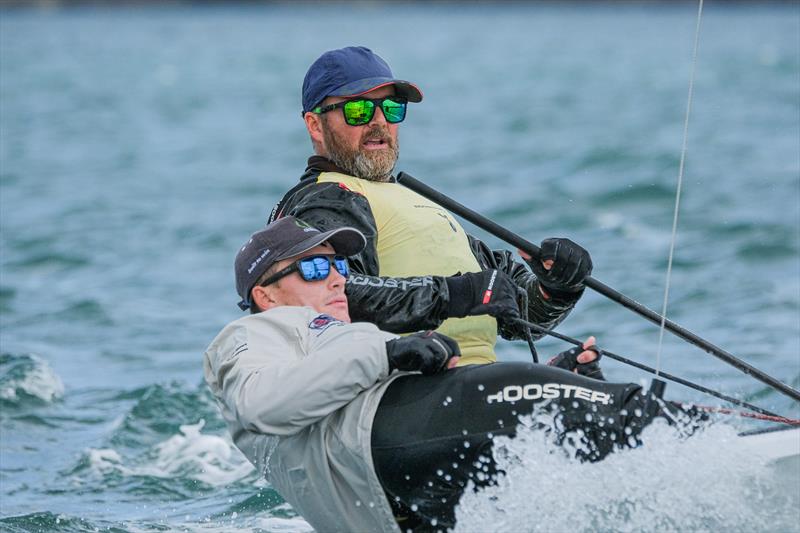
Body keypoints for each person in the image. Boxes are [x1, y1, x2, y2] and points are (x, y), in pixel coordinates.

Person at [205, 217, 690, 533]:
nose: (336, 278)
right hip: (379, 448)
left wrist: (555, 377)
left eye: (338, 266)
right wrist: (391, 354)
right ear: (265, 295)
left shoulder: (338, 334)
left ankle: (669, 452)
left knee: (554, 437)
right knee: (537, 393)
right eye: (312, 268)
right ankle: (701, 440)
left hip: (401, 491)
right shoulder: (250, 334)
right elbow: (259, 403)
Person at [264, 45, 595, 366]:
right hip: (404, 387)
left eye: (391, 108)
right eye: (358, 110)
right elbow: (329, 295)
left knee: (606, 390)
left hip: (473, 381)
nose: (379, 121)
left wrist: (557, 287)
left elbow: (517, 315)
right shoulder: (328, 197)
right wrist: (456, 295)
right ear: (314, 124)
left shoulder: (417, 201)